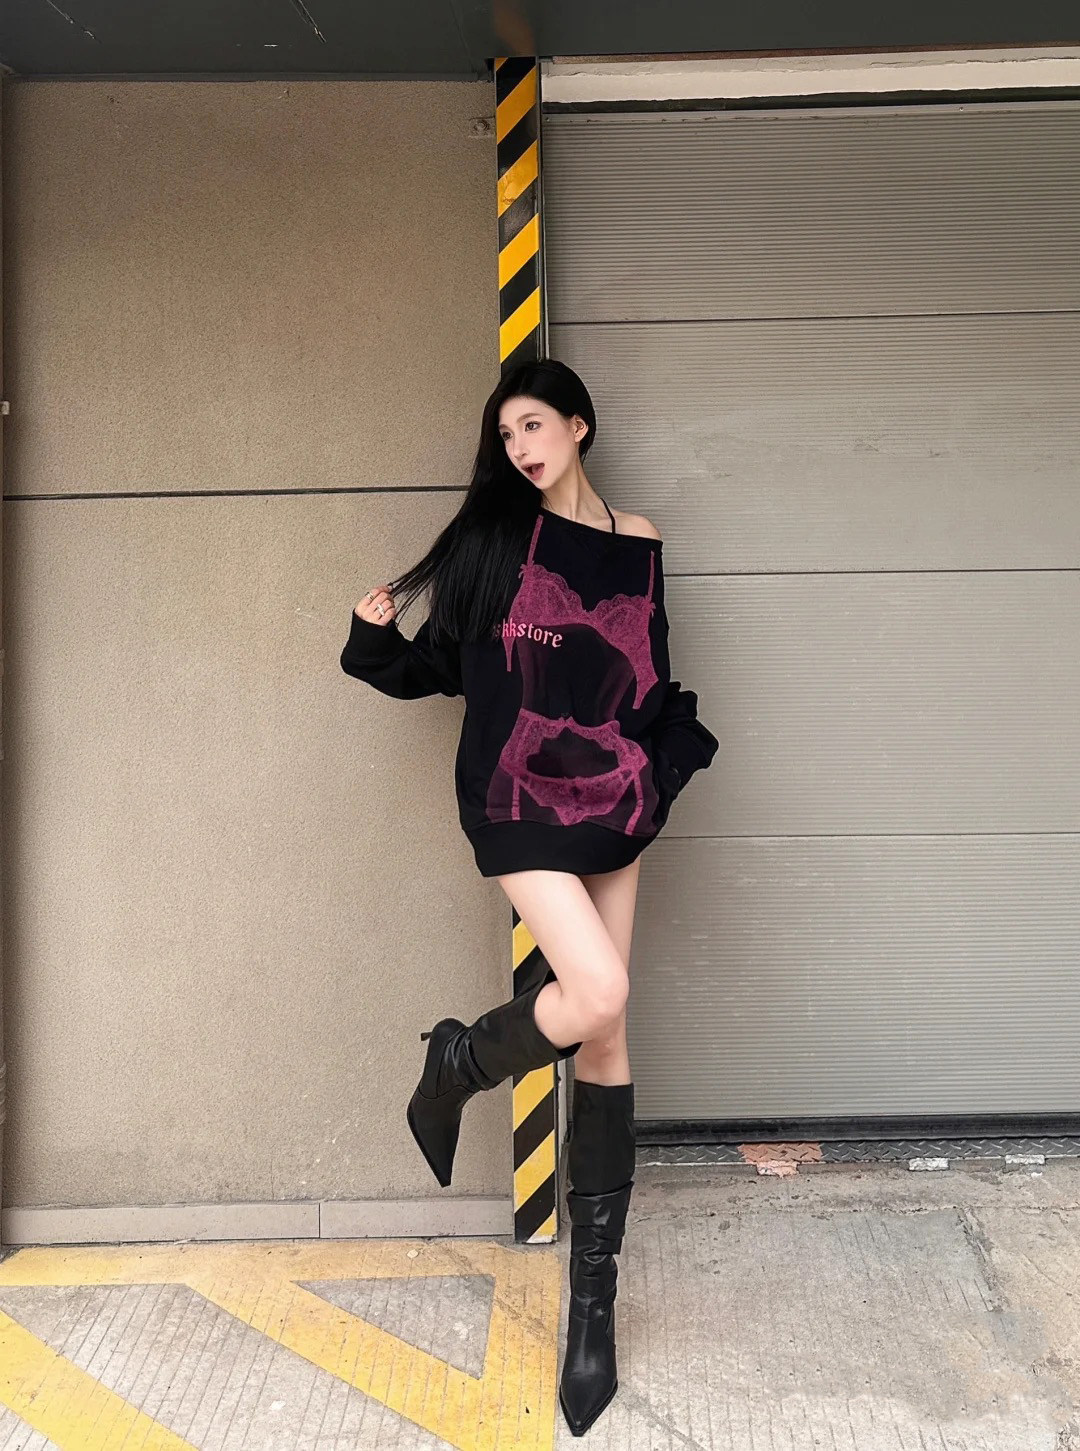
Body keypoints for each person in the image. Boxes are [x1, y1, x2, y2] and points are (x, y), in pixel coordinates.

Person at [340, 357, 718, 1437]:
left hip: (614, 800)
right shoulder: (494, 541)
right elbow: (439, 669)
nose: (520, 448)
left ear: (579, 425)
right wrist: (374, 638)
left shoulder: (638, 539)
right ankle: (456, 1063)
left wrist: (657, 771)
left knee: (607, 1034)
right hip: (515, 799)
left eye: (535, 425)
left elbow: (648, 673)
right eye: (506, 434)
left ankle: (592, 1311)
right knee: (597, 991)